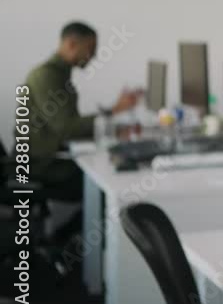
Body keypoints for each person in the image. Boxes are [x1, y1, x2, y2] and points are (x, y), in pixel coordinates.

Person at [20, 22, 141, 202]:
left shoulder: (59, 74)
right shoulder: (46, 76)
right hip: (42, 164)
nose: (93, 55)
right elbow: (66, 128)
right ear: (71, 44)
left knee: (110, 170)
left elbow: (69, 125)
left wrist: (113, 122)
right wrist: (115, 111)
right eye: (90, 48)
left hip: (52, 156)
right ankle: (85, 222)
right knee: (108, 182)